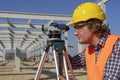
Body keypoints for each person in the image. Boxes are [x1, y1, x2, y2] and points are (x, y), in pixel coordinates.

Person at [68, 2, 120, 80]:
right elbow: (70, 64)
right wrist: (60, 51)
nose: (75, 33)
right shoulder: (90, 50)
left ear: (93, 26)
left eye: (78, 27)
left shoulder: (116, 46)